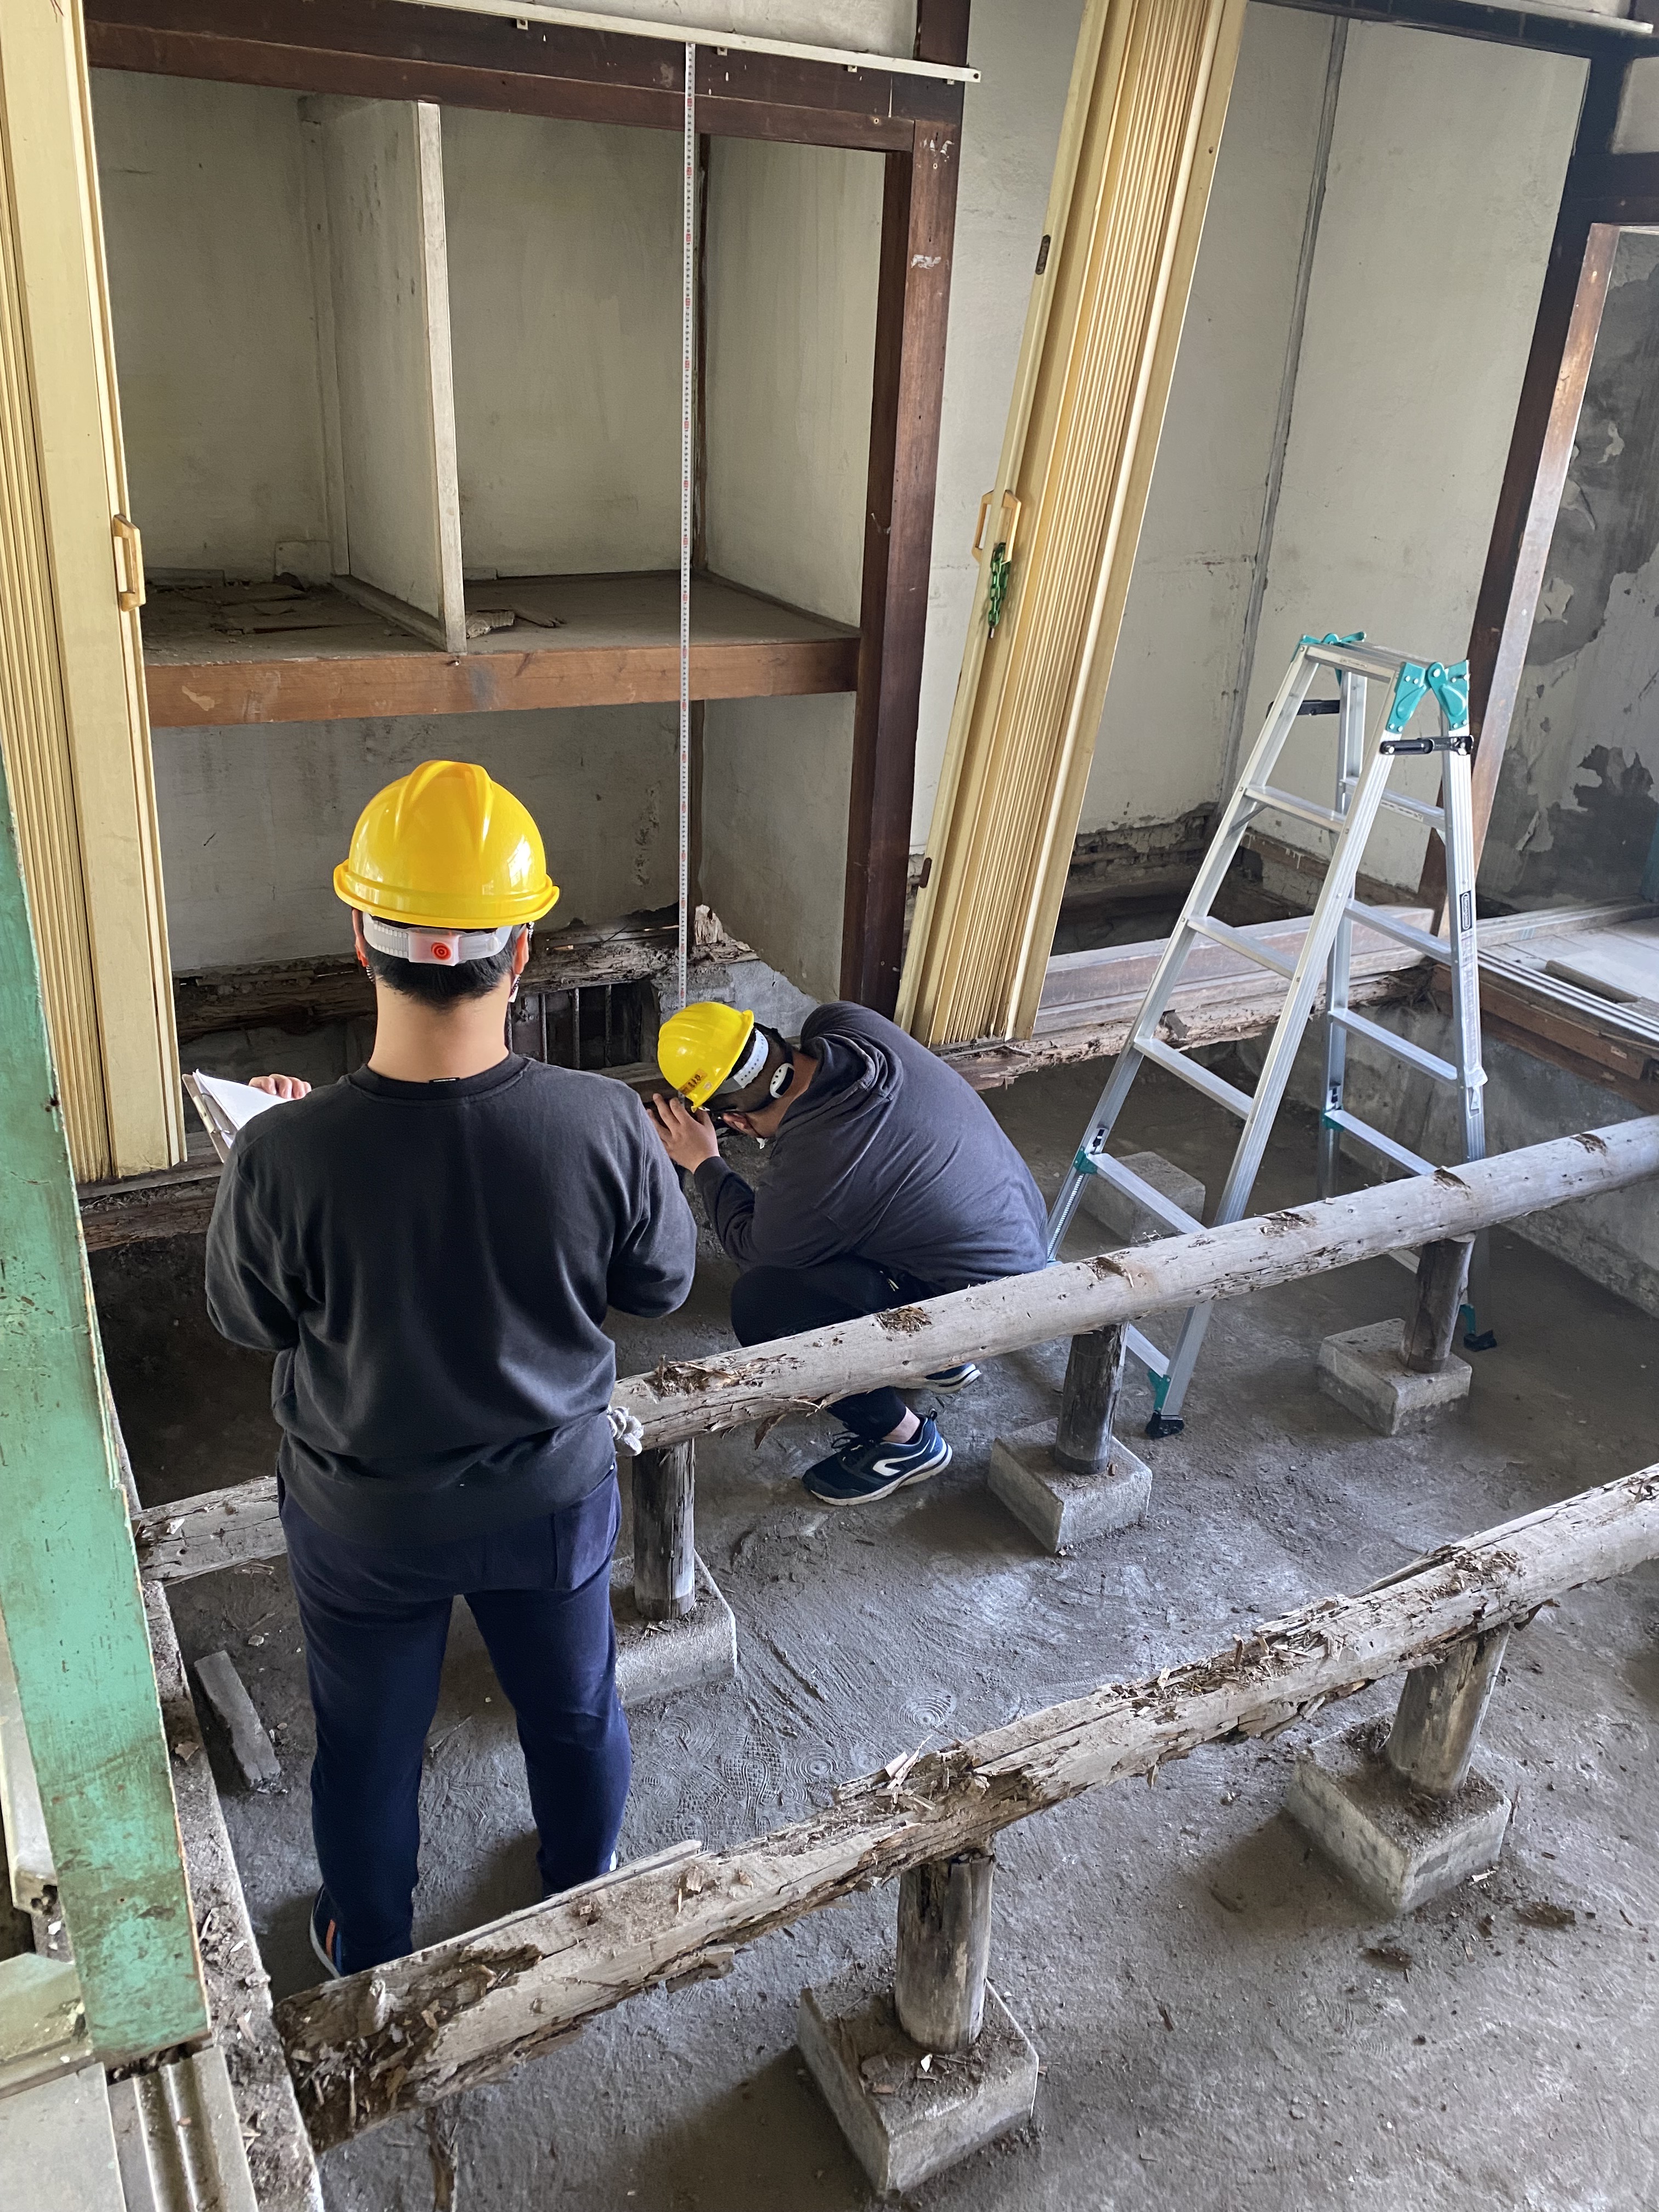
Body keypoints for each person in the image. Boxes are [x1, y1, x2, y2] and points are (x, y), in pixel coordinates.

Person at [204, 760, 695, 1977]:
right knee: (573, 1707)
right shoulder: (601, 1123)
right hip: (550, 1500)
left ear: (359, 940)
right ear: (520, 951)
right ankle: (580, 1878)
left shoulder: (284, 1156)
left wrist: (277, 1155)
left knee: (368, 1746)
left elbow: (254, 1321)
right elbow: (660, 1288)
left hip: (365, 1520)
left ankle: (366, 1940)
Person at [647, 998, 1047, 1508]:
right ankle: (939, 1364)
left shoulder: (817, 1164)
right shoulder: (846, 1024)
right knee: (851, 1225)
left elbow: (753, 1248)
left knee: (763, 1303)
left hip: (989, 1305)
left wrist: (704, 1160)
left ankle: (904, 1442)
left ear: (737, 1123)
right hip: (1020, 1237)